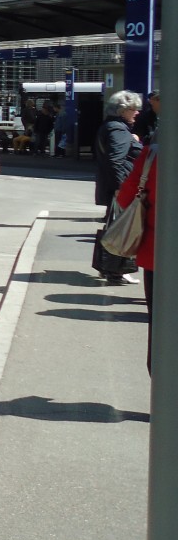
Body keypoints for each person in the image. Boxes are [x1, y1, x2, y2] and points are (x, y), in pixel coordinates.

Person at [116, 139, 158, 372]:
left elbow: (126, 198)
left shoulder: (153, 155)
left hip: (158, 257)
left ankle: (161, 382)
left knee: (160, 325)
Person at [93, 89, 143, 284]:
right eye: (134, 109)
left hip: (115, 186)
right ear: (122, 110)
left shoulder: (111, 127)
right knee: (123, 230)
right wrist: (120, 188)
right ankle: (116, 270)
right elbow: (115, 160)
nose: (137, 112)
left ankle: (109, 268)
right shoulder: (118, 130)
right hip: (121, 188)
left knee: (114, 227)